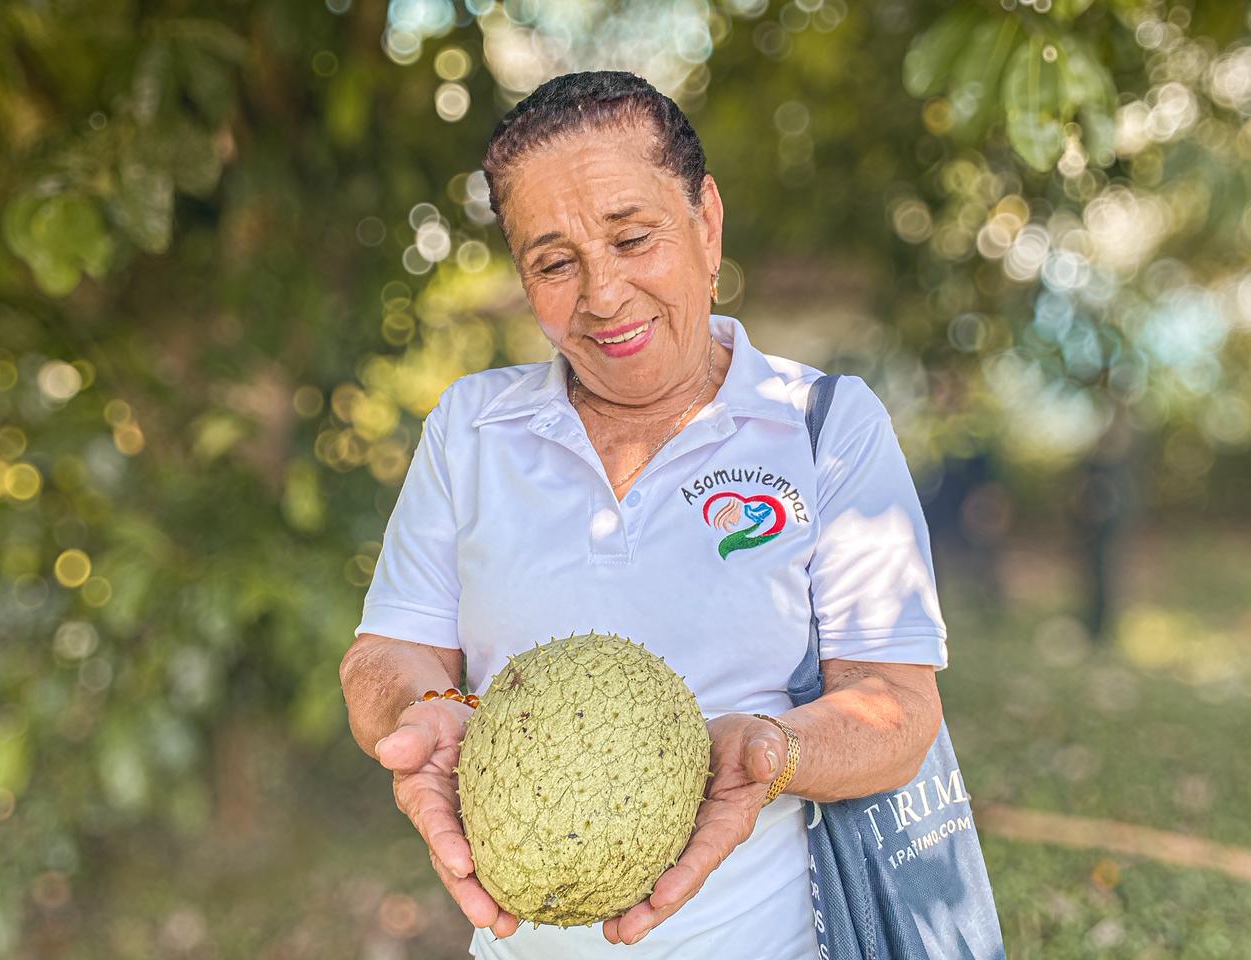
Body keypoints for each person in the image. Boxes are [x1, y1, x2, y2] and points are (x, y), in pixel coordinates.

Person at [339, 71, 947, 959]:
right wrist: (423, 705)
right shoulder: (472, 429)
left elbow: (898, 710)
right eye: (555, 262)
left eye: (632, 238)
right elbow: (385, 652)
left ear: (707, 220)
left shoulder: (823, 428)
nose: (605, 295)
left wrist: (769, 751)